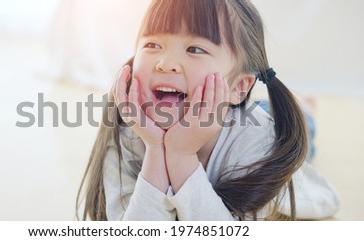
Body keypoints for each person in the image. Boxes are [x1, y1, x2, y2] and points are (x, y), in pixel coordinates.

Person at [76, 0, 339, 221]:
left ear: (239, 86)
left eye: (195, 49)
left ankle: (304, 111)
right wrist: (156, 149)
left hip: (251, 123)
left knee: (297, 128)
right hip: (234, 111)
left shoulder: (257, 141)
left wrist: (180, 155)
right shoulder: (130, 128)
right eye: (152, 45)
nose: (166, 64)